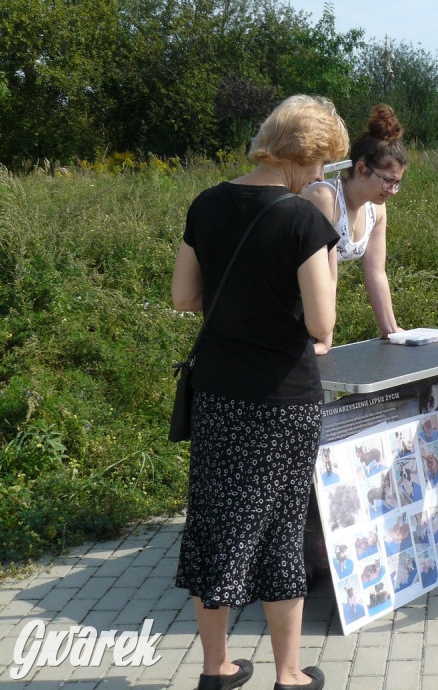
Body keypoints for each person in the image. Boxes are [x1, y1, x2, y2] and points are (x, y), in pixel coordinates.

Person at [171, 94, 348, 690]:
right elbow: (322, 325)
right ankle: (289, 673)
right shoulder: (302, 220)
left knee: (218, 525)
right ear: (305, 155)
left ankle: (217, 668)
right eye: (324, 164)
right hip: (282, 400)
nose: (323, 177)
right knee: (279, 531)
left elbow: (184, 297)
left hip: (218, 393)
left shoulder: (207, 203)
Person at [302, 103, 406, 338]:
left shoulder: (376, 210)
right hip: (286, 302)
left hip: (311, 306)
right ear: (361, 169)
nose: (392, 191)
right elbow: (325, 275)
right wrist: (324, 337)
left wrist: (392, 332)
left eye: (397, 183)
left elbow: (376, 273)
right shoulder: (324, 199)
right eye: (388, 181)